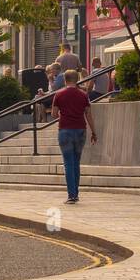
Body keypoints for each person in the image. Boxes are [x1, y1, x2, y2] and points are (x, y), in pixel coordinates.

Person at [51, 69, 97, 204]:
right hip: (81, 130)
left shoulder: (58, 94)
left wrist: (63, 115)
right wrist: (94, 132)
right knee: (76, 163)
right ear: (77, 80)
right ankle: (75, 193)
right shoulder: (83, 95)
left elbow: (54, 114)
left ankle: (72, 195)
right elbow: (89, 114)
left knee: (68, 163)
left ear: (65, 80)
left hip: (65, 130)